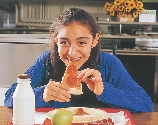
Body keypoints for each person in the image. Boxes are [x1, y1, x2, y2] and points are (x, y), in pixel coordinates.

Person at [4, 7, 152, 112]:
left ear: (94, 40)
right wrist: (41, 94)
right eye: (64, 42)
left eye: (82, 42)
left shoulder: (109, 64)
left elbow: (145, 104)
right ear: (56, 40)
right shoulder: (46, 62)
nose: (72, 53)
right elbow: (9, 97)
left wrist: (103, 90)